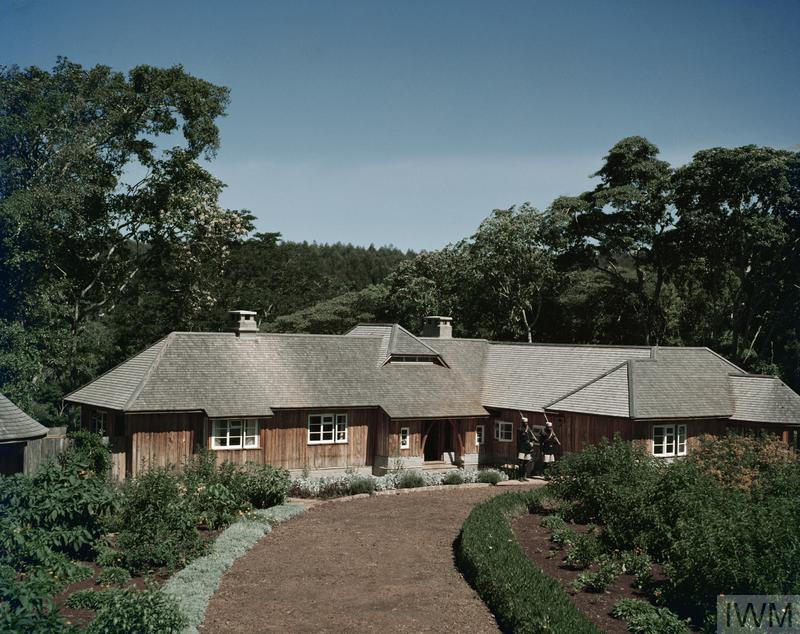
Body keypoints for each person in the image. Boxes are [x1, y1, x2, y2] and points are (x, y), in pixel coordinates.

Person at [516, 417, 535, 481]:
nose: (526, 424)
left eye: (527, 422)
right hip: (521, 448)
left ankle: (524, 476)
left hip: (527, 448)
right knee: (521, 463)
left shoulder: (529, 430)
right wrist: (526, 430)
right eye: (525, 423)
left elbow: (530, 437)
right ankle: (520, 477)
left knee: (526, 463)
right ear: (522, 423)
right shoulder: (519, 429)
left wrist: (532, 441)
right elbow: (522, 436)